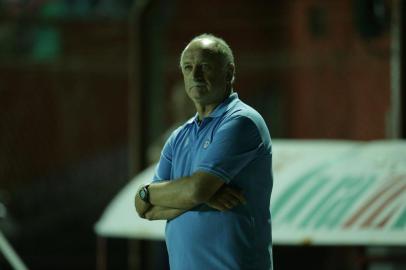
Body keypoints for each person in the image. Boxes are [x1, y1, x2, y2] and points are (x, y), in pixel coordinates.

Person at [135, 33, 273, 270]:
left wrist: (187, 193)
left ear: (229, 72)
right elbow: (144, 208)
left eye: (205, 67)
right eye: (188, 68)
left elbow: (197, 188)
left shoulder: (241, 121)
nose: (195, 75)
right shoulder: (178, 137)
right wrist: (150, 194)